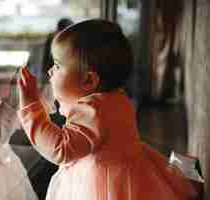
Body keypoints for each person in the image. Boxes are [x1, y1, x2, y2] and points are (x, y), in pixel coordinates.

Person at [16, 19, 197, 200]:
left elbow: (61, 148)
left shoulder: (94, 110)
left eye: (57, 65)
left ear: (89, 81)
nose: (49, 72)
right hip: (127, 171)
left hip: (104, 186)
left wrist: (31, 108)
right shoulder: (114, 97)